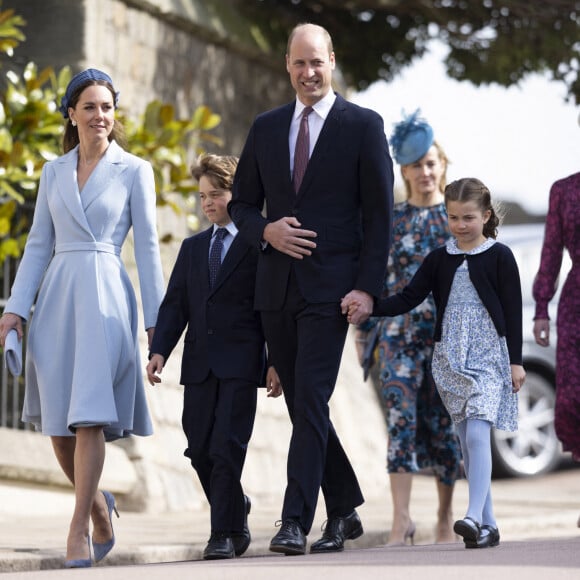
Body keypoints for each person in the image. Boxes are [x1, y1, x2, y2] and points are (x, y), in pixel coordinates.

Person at [229, 23, 394, 556]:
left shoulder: (363, 126)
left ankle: (294, 520)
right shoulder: (267, 127)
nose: (308, 73)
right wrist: (266, 231)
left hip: (333, 291)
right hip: (276, 288)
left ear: (332, 61)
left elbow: (380, 217)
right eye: (299, 64)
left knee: (312, 397)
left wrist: (367, 288)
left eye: (316, 62)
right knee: (306, 408)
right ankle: (344, 509)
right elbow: (241, 205)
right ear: (287, 65)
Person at [0, 68, 164, 567]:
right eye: (90, 107)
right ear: (71, 114)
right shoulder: (52, 171)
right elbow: (36, 247)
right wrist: (14, 309)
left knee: (89, 417)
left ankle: (77, 531)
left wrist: (158, 325)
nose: (100, 116)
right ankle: (97, 505)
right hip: (57, 301)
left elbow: (151, 250)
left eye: (108, 107)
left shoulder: (135, 170)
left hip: (107, 299)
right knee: (57, 426)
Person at [345, 177, 526, 549]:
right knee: (465, 441)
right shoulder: (439, 258)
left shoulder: (500, 256)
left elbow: (513, 310)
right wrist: (371, 307)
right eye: (454, 217)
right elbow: (409, 297)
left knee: (477, 435)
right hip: (450, 358)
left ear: (486, 216)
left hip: (490, 355)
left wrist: (516, 362)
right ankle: (487, 526)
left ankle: (472, 516)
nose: (460, 225)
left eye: (469, 218)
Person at [146, 153, 282, 560]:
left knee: (226, 447)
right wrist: (159, 351)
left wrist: (275, 359)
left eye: (216, 194)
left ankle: (222, 533)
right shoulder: (192, 248)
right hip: (199, 366)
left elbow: (270, 308)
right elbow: (175, 306)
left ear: (236, 194)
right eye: (202, 195)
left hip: (241, 365)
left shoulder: (259, 244)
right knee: (199, 449)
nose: (207, 203)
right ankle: (235, 507)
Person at [355, 110, 461, 545]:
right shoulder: (391, 220)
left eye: (431, 162)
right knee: (400, 421)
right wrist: (367, 337)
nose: (425, 172)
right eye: (416, 165)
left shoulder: (459, 220)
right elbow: (373, 281)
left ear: (443, 165)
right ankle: (401, 519)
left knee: (443, 428)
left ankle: (445, 515)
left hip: (450, 341)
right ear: (403, 170)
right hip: (398, 336)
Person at [532, 171, 580, 465]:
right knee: (572, 403)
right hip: (575, 307)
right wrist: (541, 307)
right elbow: (551, 252)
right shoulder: (564, 190)